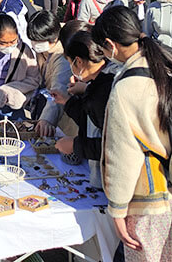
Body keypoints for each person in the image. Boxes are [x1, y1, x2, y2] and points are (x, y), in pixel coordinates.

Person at [91, 6, 172, 261]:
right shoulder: (170, 64)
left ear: (110, 45)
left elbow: (122, 157)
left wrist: (117, 210)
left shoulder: (126, 87)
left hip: (155, 205)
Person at [50, 31, 121, 188]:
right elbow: (90, 119)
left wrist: (75, 145)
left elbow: (113, 145)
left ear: (79, 62)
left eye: (70, 62)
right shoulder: (99, 82)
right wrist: (67, 101)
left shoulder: (106, 88)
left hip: (113, 180)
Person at [26, 11, 71, 138]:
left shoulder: (62, 57)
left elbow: (59, 89)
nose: (34, 44)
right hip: (44, 98)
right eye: (32, 40)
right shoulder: (44, 48)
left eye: (37, 41)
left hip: (61, 113)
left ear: (54, 38)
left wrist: (47, 119)